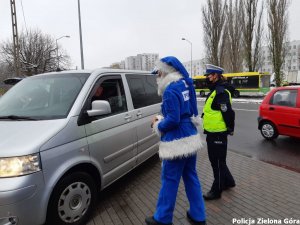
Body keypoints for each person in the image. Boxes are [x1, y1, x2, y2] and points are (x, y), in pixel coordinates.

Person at [145, 56, 206, 225]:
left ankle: (162, 218)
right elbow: (185, 112)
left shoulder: (170, 90)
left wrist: (158, 124)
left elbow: (173, 119)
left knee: (170, 181)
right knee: (191, 177)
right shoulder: (184, 85)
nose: (157, 77)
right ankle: (198, 214)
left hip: (176, 142)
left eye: (158, 73)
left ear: (165, 71)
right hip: (190, 138)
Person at [202, 64, 236, 201]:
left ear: (215, 76)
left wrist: (230, 128)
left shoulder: (220, 92)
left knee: (217, 163)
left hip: (218, 133)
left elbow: (228, 112)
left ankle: (217, 191)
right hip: (212, 132)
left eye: (209, 75)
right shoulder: (215, 90)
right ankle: (228, 181)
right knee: (219, 161)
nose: (207, 78)